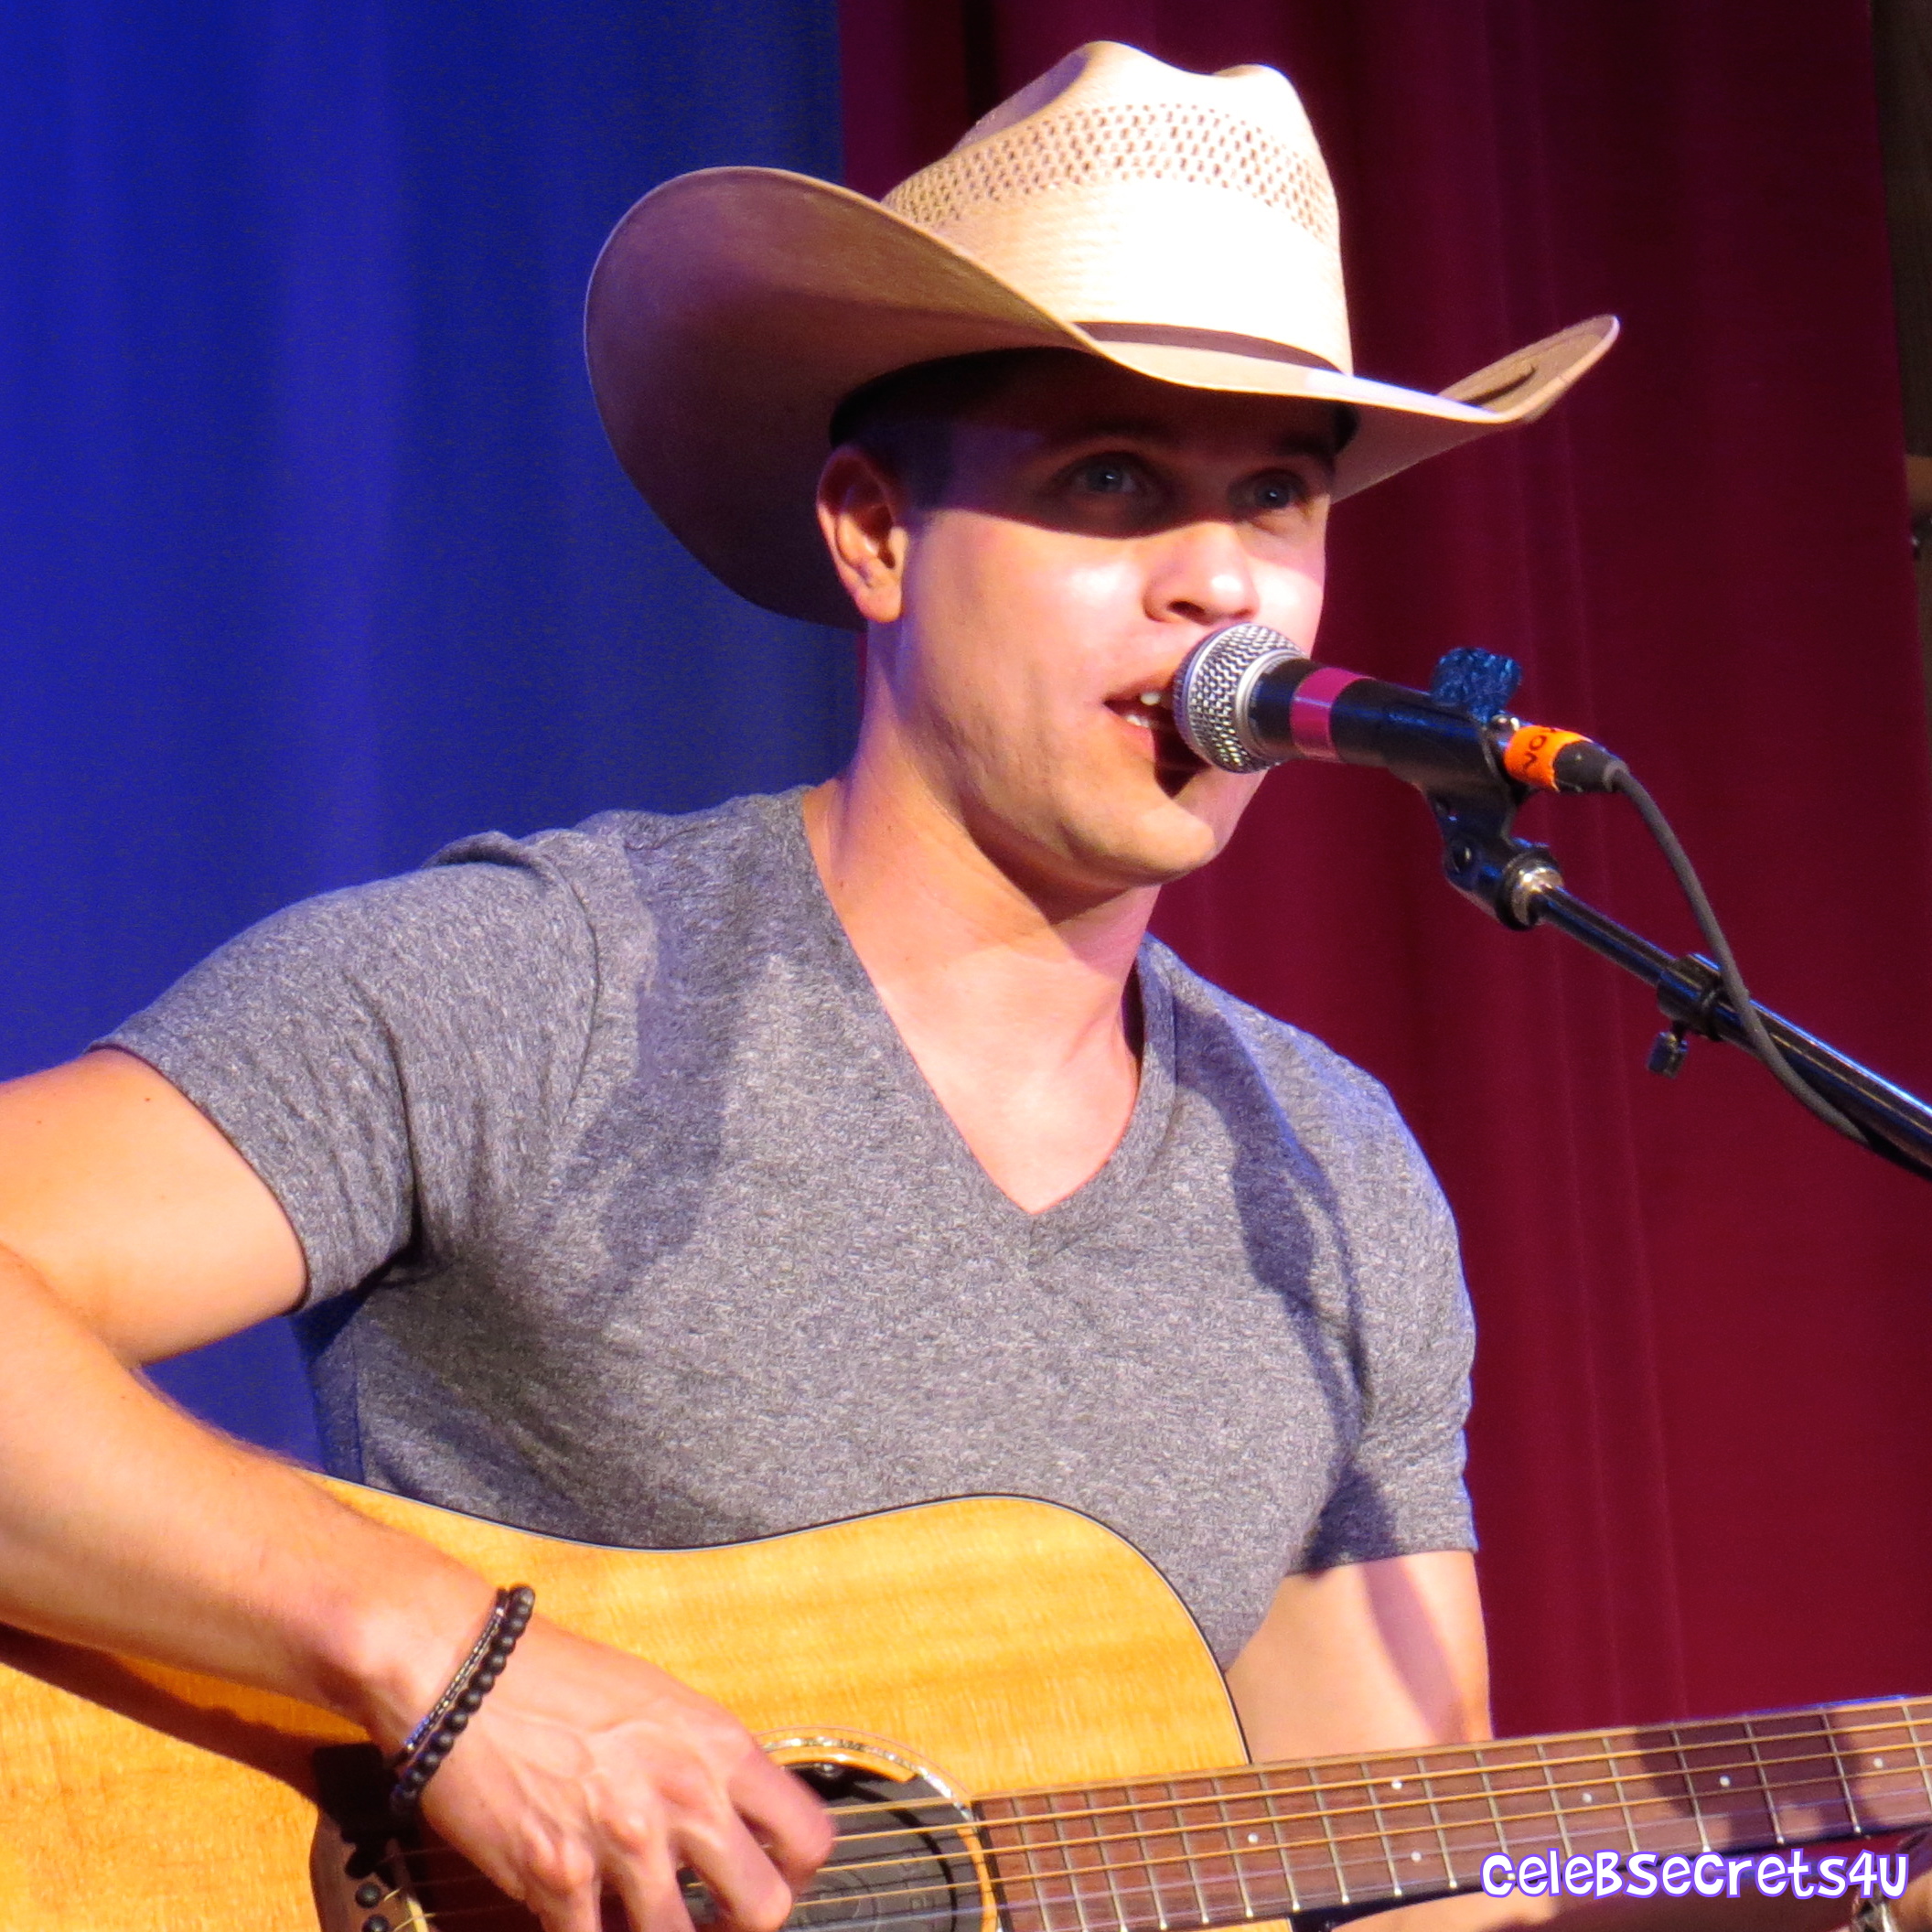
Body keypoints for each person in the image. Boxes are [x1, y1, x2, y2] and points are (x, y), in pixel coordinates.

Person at [4, 38, 1859, 1932]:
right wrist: (441, 1656)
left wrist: (1850, 1878)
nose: (1222, 583)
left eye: (1279, 500)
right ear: (878, 532)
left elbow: (1402, 1868)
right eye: (1116, 479)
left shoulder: (1329, 1179)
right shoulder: (532, 988)